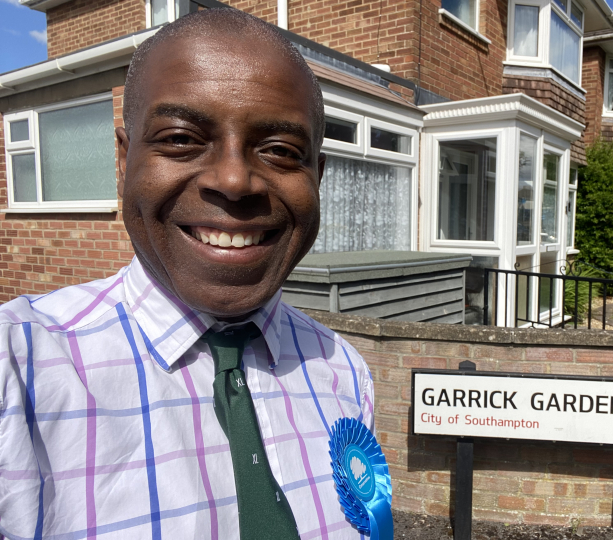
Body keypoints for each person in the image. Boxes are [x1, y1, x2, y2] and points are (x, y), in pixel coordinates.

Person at [0, 9, 377, 539]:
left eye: (282, 151)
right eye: (181, 139)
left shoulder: (345, 371)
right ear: (124, 159)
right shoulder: (18, 372)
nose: (234, 180)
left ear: (318, 174)